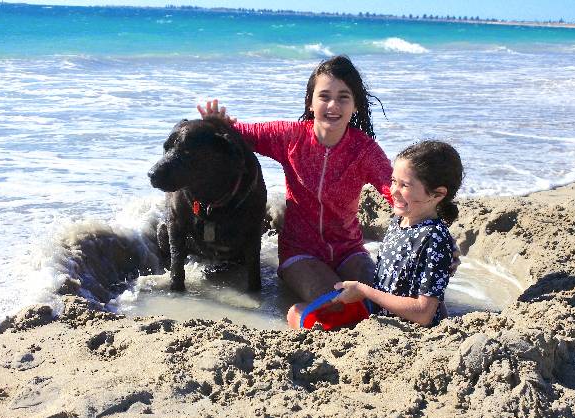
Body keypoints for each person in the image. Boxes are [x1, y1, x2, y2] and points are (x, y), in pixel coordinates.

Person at [198, 55, 394, 304]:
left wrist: (435, 235)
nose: (333, 105)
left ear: (355, 105)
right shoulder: (290, 137)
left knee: (379, 300)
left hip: (349, 250)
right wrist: (219, 125)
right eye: (324, 96)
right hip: (301, 252)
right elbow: (242, 135)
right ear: (310, 103)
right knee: (333, 304)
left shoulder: (364, 151)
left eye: (343, 97)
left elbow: (397, 192)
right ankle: (297, 313)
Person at [320, 140, 464, 327]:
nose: (393, 190)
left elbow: (423, 314)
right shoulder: (399, 221)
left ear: (437, 194)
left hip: (410, 332)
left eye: (405, 185)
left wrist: (364, 291)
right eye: (393, 181)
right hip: (383, 319)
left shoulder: (434, 238)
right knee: (296, 311)